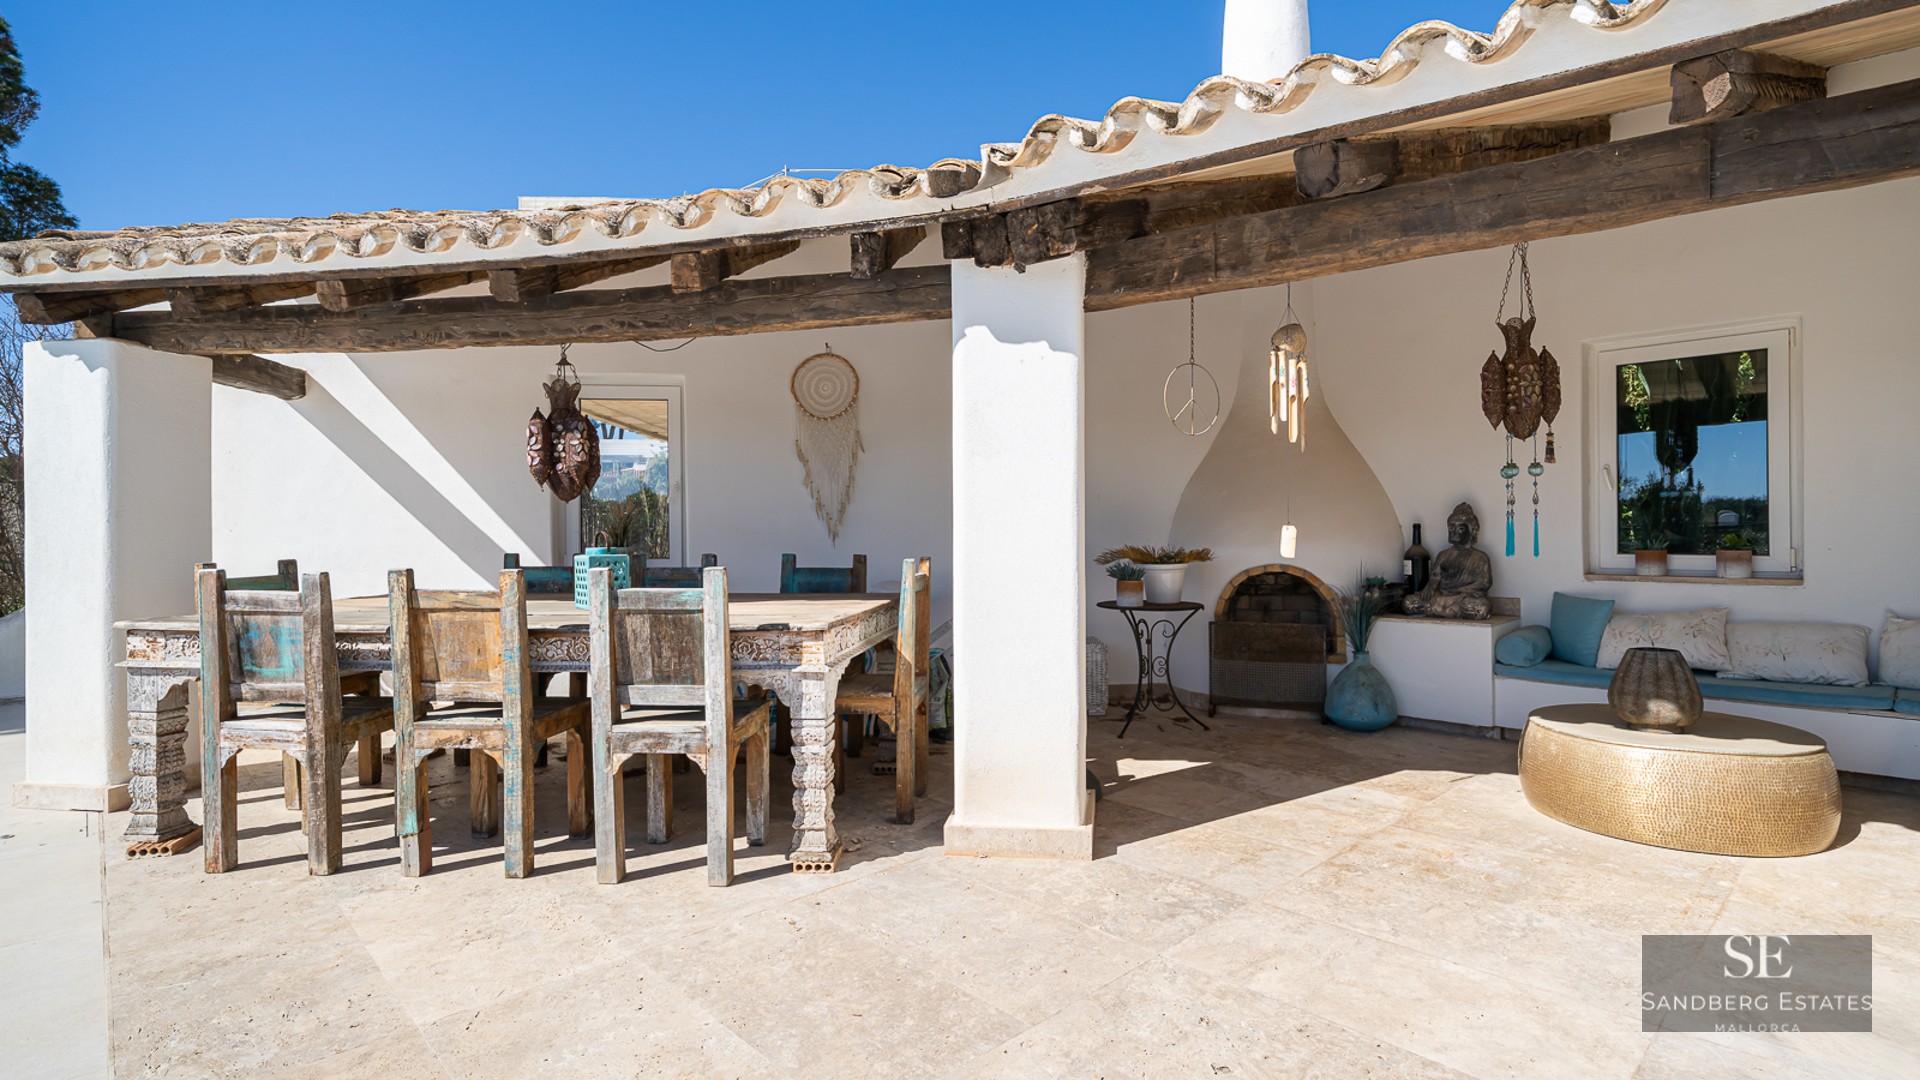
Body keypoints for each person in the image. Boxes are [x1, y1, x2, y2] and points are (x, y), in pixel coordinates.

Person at [1402, 502, 1492, 619]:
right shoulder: (1443, 555)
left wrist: (1459, 591)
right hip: (1441, 597)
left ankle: (1440, 610)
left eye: (1460, 528)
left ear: (1472, 531)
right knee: (1409, 602)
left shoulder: (1480, 557)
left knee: (1479, 608)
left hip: (1463, 598)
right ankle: (1449, 611)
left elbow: (1484, 583)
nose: (1454, 532)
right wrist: (1430, 588)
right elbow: (1435, 577)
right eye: (1451, 527)